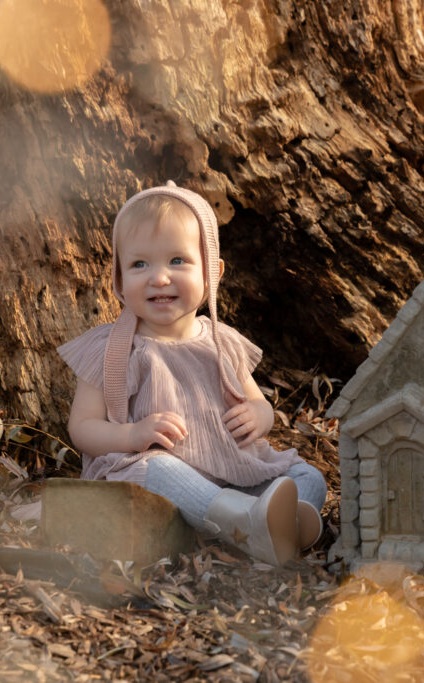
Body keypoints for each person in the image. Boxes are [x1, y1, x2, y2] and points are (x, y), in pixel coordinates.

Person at [57, 181, 327, 566]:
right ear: (118, 279)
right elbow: (81, 427)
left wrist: (259, 415)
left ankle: (274, 528)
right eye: (139, 264)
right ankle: (250, 527)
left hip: (234, 472)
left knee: (309, 477)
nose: (159, 277)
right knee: (160, 469)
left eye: (177, 261)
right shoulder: (111, 349)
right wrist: (131, 435)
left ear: (212, 272)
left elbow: (257, 403)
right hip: (161, 476)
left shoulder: (223, 341)